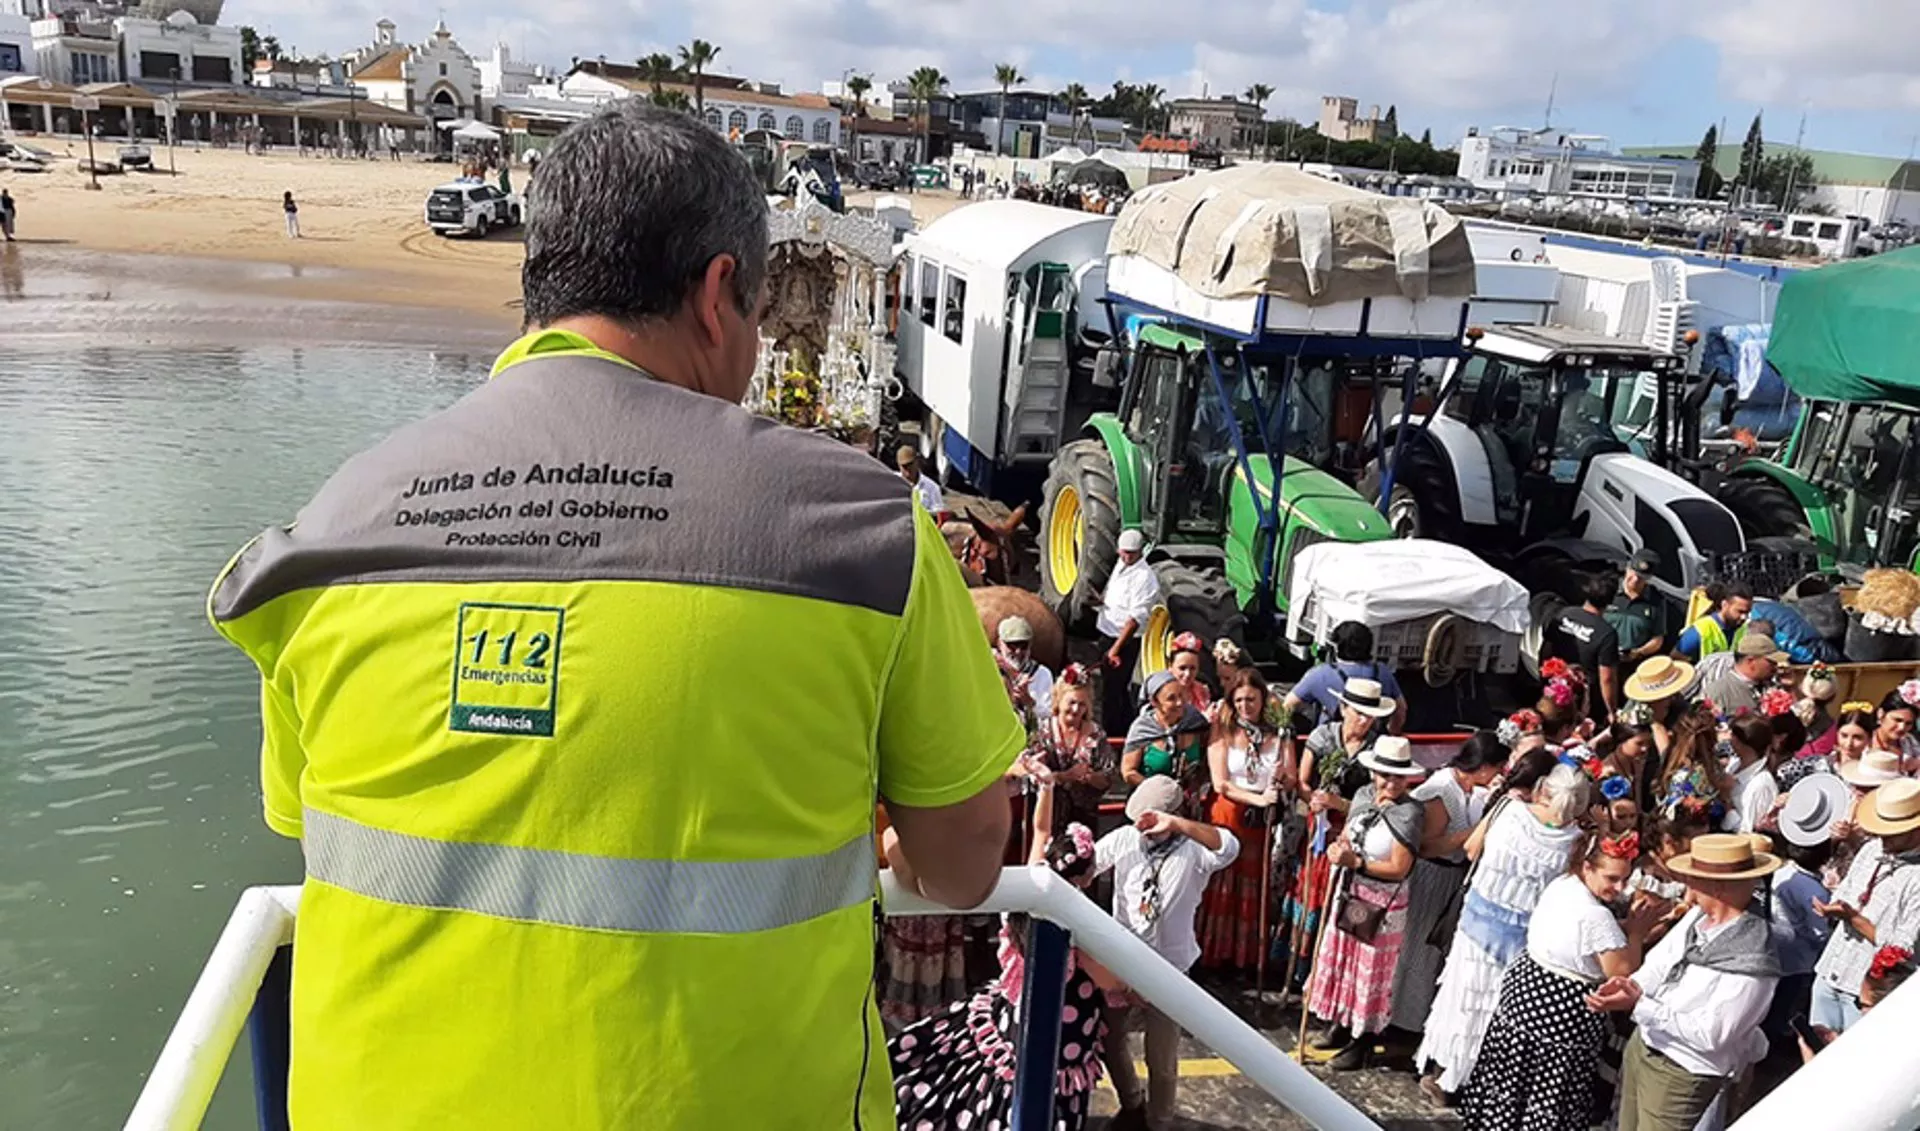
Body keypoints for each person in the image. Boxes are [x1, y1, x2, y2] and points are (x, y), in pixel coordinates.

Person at [206, 104, 1022, 1130]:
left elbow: (310, 828)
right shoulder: (862, 529)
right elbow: (964, 862)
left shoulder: (335, 523)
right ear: (718, 295)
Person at [889, 824, 1119, 1131]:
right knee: (1042, 1090)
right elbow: (1112, 982)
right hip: (1061, 1034)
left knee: (1008, 1079)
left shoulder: (1031, 886)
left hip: (1015, 1016)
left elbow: (1039, 829)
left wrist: (1045, 798)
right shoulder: (1077, 928)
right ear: (1087, 877)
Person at [1457, 832, 1664, 1131]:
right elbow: (1622, 973)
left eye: (1624, 879)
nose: (1620, 888)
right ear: (1587, 867)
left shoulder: (1563, 885)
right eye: (1612, 879)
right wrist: (1636, 933)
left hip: (1526, 992)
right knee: (1546, 1094)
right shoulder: (1595, 916)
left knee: (1511, 1082)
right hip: (1559, 1012)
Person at [1415, 765, 1590, 1097]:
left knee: (1461, 999)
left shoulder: (1509, 810)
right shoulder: (1575, 842)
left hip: (1476, 927)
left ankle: (1444, 1074)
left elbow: (1471, 850)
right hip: (1525, 940)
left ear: (1544, 789)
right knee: (1497, 1009)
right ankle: (1477, 1082)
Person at [1588, 834, 1782, 1131]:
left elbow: (1712, 1035)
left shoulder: (1754, 958)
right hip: (1646, 1045)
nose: (1687, 884)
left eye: (1694, 878)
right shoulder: (1698, 918)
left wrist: (1641, 1006)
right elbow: (1660, 963)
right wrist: (1631, 987)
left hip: (1681, 1072)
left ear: (1717, 887)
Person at [1094, 775, 1239, 1129]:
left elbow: (1229, 847)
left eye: (1150, 820)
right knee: (1110, 1040)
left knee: (1160, 1058)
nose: (1142, 828)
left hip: (1169, 971)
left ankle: (1158, 1122)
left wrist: (1175, 824)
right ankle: (1131, 1103)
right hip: (1122, 965)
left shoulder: (1195, 851)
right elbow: (1087, 863)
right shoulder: (1125, 839)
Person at [1302, 737, 1428, 1071]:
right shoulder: (1362, 796)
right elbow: (1349, 833)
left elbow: (1400, 867)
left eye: (1398, 777)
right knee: (1346, 960)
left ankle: (1363, 1042)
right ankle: (1342, 1024)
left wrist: (1356, 862)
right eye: (1385, 775)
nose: (1391, 783)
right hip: (1351, 891)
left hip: (1383, 902)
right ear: (1373, 773)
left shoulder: (1410, 813)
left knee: (1370, 972)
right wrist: (1339, 848)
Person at [1280, 678, 1393, 992]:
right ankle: (1296, 968)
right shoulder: (1323, 736)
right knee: (1307, 891)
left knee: (1339, 897)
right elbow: (1303, 782)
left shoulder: (1378, 747)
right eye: (1359, 713)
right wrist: (1314, 799)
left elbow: (1377, 798)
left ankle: (1328, 972)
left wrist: (1340, 804)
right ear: (1343, 709)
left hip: (1354, 828)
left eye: (1370, 715)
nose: (1364, 721)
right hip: (1318, 826)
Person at [1390, 731, 1505, 1038]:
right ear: (1483, 767)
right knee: (1417, 950)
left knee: (1431, 956)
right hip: (1431, 876)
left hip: (1451, 879)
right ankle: (1399, 1021)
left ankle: (1414, 1021)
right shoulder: (1442, 790)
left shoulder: (1471, 790)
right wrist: (1474, 832)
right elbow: (1427, 846)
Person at [1810, 779, 1920, 1034]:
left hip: (1867, 995)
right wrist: (1833, 909)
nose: (1883, 837)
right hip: (1830, 970)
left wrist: (1854, 919)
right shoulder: (1871, 850)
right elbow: (1846, 891)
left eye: (1893, 832)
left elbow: (1902, 950)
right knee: (1814, 1047)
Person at [1199, 670, 1291, 970]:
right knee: (1224, 881)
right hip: (1229, 813)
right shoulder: (1223, 730)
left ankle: (1245, 958)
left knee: (1253, 882)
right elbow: (1220, 783)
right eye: (1238, 700)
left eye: (1251, 699)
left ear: (1263, 698)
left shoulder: (1279, 733)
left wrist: (1281, 780)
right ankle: (1214, 953)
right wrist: (1259, 799)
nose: (1244, 706)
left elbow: (1290, 776)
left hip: (1259, 822)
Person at [1023, 666, 1113, 837]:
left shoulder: (1096, 734)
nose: (1076, 709)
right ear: (1059, 699)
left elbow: (1108, 777)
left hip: (1084, 820)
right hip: (1046, 816)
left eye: (1082, 704)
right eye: (1071, 702)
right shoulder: (1042, 732)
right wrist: (1064, 776)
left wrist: (1089, 777)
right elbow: (1031, 777)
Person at [1282, 620, 1407, 734]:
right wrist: (1393, 733)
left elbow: (1287, 706)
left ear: (1337, 647)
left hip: (1329, 743)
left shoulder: (1320, 674)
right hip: (1373, 741)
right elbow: (1401, 709)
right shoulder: (1382, 672)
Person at [1097, 529, 1159, 735]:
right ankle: (1125, 727)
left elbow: (1134, 620)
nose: (1126, 557)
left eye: (1131, 554)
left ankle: (1112, 732)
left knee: (1113, 691)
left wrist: (1115, 650)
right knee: (1111, 688)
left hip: (1123, 641)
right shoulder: (1121, 565)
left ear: (1140, 552)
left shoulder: (1145, 578)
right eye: (1123, 552)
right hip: (1107, 632)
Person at [1544, 573, 1623, 722]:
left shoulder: (1563, 614)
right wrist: (1611, 710)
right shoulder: (1606, 634)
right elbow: (1607, 678)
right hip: (1584, 698)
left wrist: (1543, 679)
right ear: (1610, 602)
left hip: (1554, 687)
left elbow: (1546, 649)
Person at [1120, 671, 1210, 804]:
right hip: (1151, 801)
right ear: (1154, 702)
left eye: (1181, 695)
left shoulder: (1196, 722)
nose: (1179, 702)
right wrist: (1160, 791)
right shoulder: (1142, 728)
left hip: (1190, 802)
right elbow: (1128, 772)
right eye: (1171, 698)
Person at [1696, 633, 1787, 719]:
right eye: (1771, 662)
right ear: (1750, 661)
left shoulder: (1773, 686)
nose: (1776, 666)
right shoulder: (1717, 693)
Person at [1606, 550, 1670, 664]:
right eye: (1633, 573)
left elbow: (1657, 639)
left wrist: (1638, 653)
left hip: (1633, 662)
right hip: (1603, 658)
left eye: (1641, 577)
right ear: (1627, 568)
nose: (1635, 580)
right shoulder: (1608, 588)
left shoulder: (1656, 600)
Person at [995, 615, 1053, 734]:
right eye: (1012, 646)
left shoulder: (1042, 674)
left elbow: (1049, 716)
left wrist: (1029, 702)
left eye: (1023, 646)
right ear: (1000, 643)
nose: (1018, 652)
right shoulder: (991, 668)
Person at [1724, 714, 1781, 834]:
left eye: (1733, 734)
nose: (1729, 737)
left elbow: (1748, 833)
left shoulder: (1761, 784)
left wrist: (1728, 804)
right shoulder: (1733, 765)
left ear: (1740, 742)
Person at [1675, 582, 1754, 662]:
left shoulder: (1742, 629)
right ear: (1724, 605)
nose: (1744, 617)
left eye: (1747, 612)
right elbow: (1676, 660)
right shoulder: (1700, 631)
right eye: (1740, 612)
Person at [1870, 684, 1920, 769]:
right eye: (1897, 720)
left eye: (1908, 723)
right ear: (1880, 714)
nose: (1902, 727)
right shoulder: (1865, 742)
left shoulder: (1910, 742)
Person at [1166, 631, 1212, 714]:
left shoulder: (1203, 692)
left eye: (1192, 668)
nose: (1187, 674)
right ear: (1170, 667)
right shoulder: (1162, 694)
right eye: (1182, 668)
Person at [896, 444, 946, 518]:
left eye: (910, 464)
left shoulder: (932, 487)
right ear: (898, 466)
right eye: (904, 466)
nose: (908, 469)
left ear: (917, 461)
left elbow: (938, 514)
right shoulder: (892, 483)